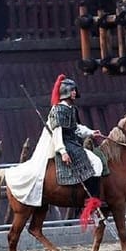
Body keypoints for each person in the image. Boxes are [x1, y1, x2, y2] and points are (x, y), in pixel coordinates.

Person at [48, 74, 106, 211]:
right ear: (66, 92)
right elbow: (57, 131)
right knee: (95, 162)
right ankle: (91, 200)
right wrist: (62, 151)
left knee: (96, 161)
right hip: (66, 144)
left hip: (74, 143)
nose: (75, 93)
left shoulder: (72, 109)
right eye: (72, 90)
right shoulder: (59, 110)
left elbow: (77, 128)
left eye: (75, 90)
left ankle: (92, 199)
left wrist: (91, 132)